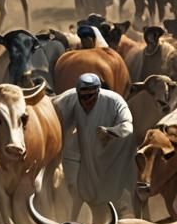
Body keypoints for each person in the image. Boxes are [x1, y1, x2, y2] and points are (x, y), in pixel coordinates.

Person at [54, 71, 134, 216]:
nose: (86, 100)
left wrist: (110, 132)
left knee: (111, 193)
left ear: (98, 91)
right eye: (82, 96)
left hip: (110, 157)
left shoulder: (114, 101)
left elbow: (127, 125)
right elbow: (54, 111)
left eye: (90, 96)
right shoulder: (72, 98)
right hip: (84, 158)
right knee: (79, 190)